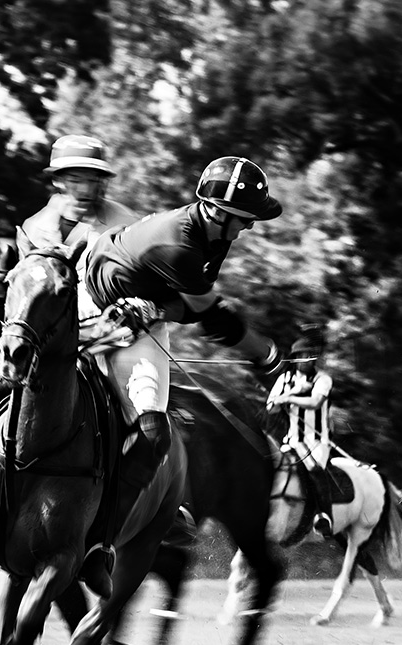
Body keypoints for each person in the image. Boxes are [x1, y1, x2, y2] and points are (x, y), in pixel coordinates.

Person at [0, 134, 143, 541]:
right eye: (74, 179)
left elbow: (143, 283)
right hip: (45, 344)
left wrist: (131, 310)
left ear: (102, 183)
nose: (83, 188)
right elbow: (24, 291)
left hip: (109, 339)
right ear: (58, 180)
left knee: (137, 419)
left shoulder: (125, 225)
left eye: (91, 179)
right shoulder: (34, 227)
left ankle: (133, 515)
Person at [74, 155, 286, 579]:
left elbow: (189, 308)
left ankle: (108, 536)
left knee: (153, 432)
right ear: (217, 211)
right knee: (21, 378)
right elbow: (215, 319)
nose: (249, 227)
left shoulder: (215, 236)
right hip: (87, 306)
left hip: (140, 319)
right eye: (245, 219)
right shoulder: (180, 243)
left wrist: (158, 308)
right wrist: (267, 356)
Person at [267, 325, 335, 537]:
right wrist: (290, 394)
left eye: (307, 356)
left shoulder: (322, 379)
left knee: (314, 470)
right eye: (300, 356)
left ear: (313, 358)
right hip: (291, 440)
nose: (304, 359)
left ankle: (323, 515)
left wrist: (288, 398)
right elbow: (271, 407)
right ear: (295, 358)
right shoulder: (285, 380)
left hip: (316, 442)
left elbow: (315, 402)